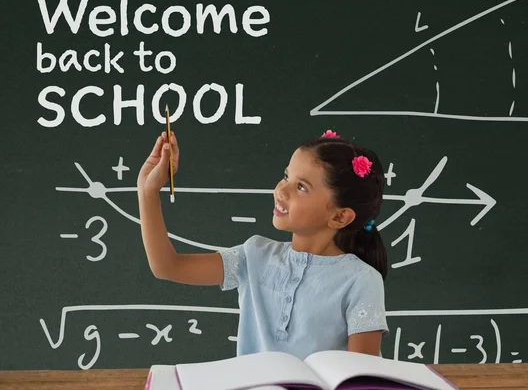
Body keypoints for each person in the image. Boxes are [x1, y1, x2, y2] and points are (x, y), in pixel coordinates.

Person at [137, 129, 388, 360]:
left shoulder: (361, 280)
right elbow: (167, 266)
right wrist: (147, 191)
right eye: (286, 176)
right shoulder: (254, 256)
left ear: (339, 217)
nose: (281, 190)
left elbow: (360, 378)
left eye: (301, 187)